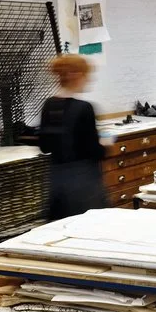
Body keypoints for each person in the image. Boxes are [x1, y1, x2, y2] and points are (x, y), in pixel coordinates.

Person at [39, 54, 107, 220]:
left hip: (57, 183)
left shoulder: (49, 105)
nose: (89, 80)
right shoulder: (84, 108)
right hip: (83, 185)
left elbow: (44, 146)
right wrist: (105, 144)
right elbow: (94, 151)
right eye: (87, 75)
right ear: (77, 75)